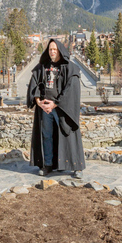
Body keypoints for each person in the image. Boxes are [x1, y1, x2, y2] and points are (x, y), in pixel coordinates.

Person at [27, 38, 85, 179]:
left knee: (68, 134)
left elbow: (71, 88)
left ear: (59, 50)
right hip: (44, 109)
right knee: (47, 136)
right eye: (50, 49)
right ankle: (47, 165)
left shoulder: (69, 67)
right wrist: (39, 102)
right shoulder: (42, 66)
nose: (52, 52)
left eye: (55, 49)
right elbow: (33, 83)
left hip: (62, 109)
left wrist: (55, 104)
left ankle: (76, 166)